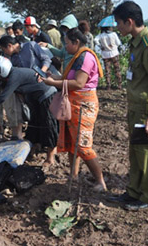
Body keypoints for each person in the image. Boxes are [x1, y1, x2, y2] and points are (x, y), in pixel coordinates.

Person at [108, 0, 148, 211]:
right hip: (135, 106)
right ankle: (134, 191)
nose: (117, 27)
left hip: (145, 109)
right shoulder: (136, 42)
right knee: (136, 151)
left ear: (129, 22)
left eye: (119, 23)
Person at [41, 28, 107, 192]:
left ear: (76, 42)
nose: (65, 47)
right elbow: (66, 79)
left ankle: (100, 181)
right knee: (72, 143)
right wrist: (51, 76)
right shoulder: (77, 57)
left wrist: (53, 83)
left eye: (67, 43)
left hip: (84, 105)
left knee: (83, 145)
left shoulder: (86, 58)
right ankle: (73, 175)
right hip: (74, 103)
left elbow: (78, 83)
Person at [0, 57, 58, 166]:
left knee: (48, 125)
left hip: (47, 97)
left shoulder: (14, 76)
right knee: (35, 123)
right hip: (37, 99)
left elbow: (3, 97)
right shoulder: (13, 74)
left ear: (2, 73)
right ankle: (35, 147)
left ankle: (50, 158)